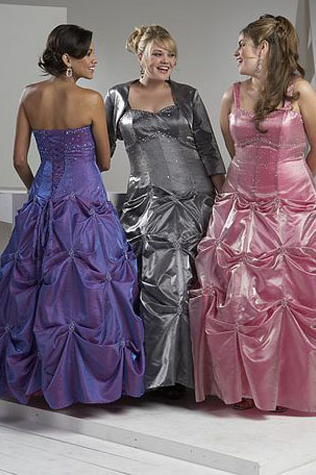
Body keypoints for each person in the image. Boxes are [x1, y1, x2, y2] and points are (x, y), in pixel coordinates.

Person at [189, 14, 316, 413]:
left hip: (292, 208)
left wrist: (294, 188)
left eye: (242, 45)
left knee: (290, 297)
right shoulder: (232, 95)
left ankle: (290, 388)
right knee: (239, 296)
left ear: (264, 48)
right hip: (240, 206)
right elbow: (236, 149)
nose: (236, 52)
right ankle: (245, 385)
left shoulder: (300, 92)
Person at [0, 24, 145, 409]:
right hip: (85, 201)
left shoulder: (29, 95)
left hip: (43, 198)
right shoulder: (91, 100)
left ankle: (38, 378)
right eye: (89, 53)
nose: (95, 59)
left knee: (36, 286)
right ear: (68, 59)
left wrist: (40, 192)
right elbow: (104, 161)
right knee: (89, 287)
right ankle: (86, 382)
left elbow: (19, 160)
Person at [105, 25, 225, 397]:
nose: (166, 61)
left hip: (193, 200)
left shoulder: (188, 95)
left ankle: (190, 377)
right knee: (150, 285)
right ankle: (155, 376)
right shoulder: (117, 96)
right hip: (146, 202)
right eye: (158, 53)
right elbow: (100, 151)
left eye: (171, 54)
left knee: (190, 284)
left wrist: (226, 200)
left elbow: (209, 150)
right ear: (140, 56)